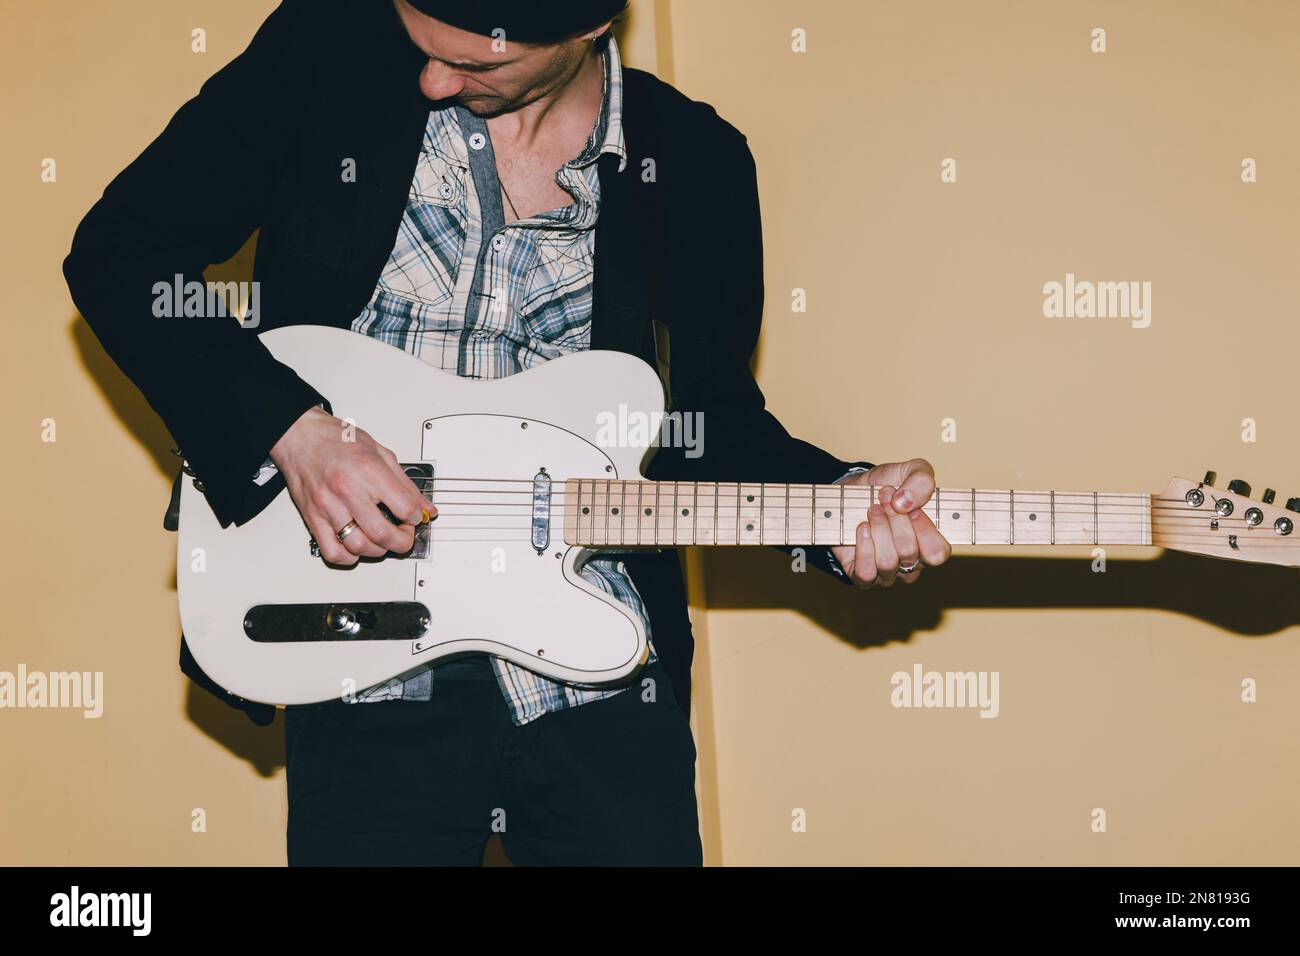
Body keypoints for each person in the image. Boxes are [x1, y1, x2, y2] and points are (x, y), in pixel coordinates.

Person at [64, 0, 952, 866]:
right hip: (365, 654)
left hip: (605, 672)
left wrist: (839, 500)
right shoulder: (325, 51)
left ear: (590, 25)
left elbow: (707, 426)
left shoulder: (695, 160)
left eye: (477, 64)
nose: (434, 80)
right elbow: (120, 250)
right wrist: (292, 431)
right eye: (420, 44)